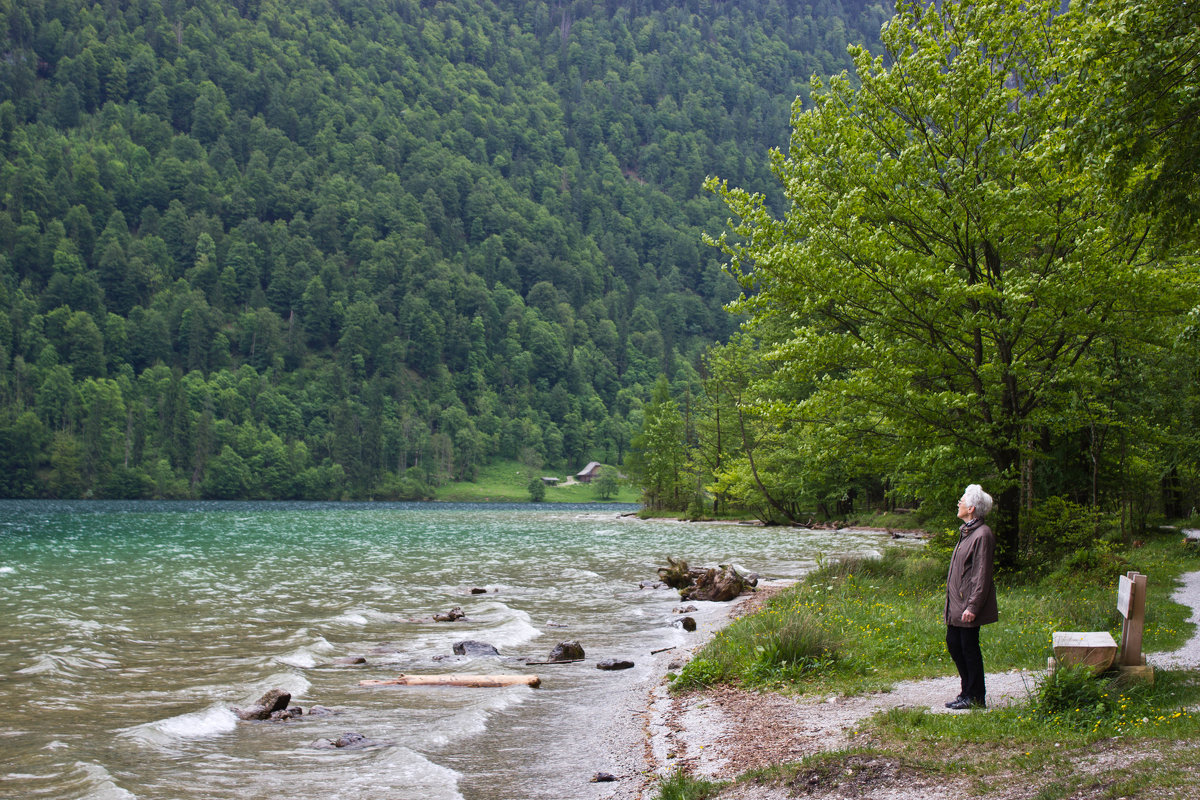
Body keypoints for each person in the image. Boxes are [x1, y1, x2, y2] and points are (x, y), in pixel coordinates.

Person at [944, 483, 998, 710]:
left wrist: (973, 606)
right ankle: (967, 691)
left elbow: (982, 574)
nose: (959, 503)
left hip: (968, 604)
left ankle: (976, 697)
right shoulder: (967, 532)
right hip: (958, 603)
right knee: (954, 644)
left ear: (972, 508)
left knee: (968, 647)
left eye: (963, 500)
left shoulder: (982, 534)